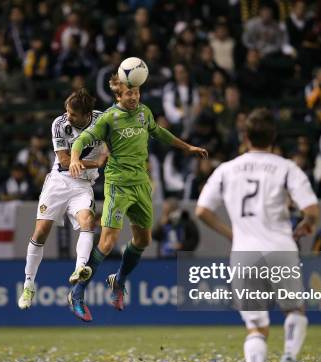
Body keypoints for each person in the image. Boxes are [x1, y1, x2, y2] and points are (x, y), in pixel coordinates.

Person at [195, 108, 319, 362]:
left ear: (245, 137)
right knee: (295, 311)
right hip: (280, 248)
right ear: (274, 138)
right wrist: (306, 223)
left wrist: (231, 233)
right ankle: (289, 356)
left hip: (244, 254)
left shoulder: (227, 169)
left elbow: (201, 211)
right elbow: (312, 209)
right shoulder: (286, 168)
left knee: (256, 329)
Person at [67, 73, 208, 322]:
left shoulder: (144, 112)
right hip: (118, 184)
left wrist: (187, 147)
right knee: (108, 241)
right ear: (118, 96)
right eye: (129, 93)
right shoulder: (109, 118)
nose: (134, 97)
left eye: (136, 92)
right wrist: (76, 158)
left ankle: (118, 282)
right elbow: (84, 139)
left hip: (141, 183)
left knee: (143, 240)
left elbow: (159, 132)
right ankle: (77, 294)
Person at [17, 89, 108, 310]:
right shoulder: (59, 123)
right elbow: (65, 160)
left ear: (86, 115)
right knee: (40, 233)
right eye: (67, 111)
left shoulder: (101, 120)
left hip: (83, 185)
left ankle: (80, 269)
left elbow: (109, 144)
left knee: (88, 222)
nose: (68, 116)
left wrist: (106, 152)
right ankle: (28, 285)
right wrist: (96, 163)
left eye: (73, 114)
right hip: (59, 182)